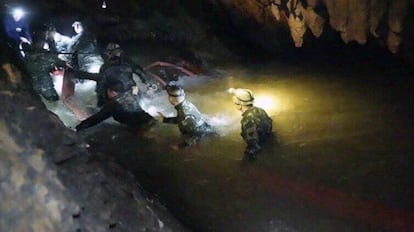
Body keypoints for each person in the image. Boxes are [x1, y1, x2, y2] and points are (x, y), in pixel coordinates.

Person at [75, 79, 155, 132]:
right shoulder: (130, 93)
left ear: (112, 92)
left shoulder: (114, 105)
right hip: (150, 120)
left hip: (139, 127)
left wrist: (78, 128)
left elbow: (96, 119)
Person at [157, 84, 216, 149]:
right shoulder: (186, 104)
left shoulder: (184, 113)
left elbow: (197, 135)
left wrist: (179, 147)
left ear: (171, 99)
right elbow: (181, 120)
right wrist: (165, 120)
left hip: (204, 139)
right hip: (206, 130)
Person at [229, 88, 273, 160]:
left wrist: (247, 160)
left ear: (240, 105)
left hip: (263, 148)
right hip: (269, 140)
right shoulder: (260, 110)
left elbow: (254, 144)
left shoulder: (248, 121)